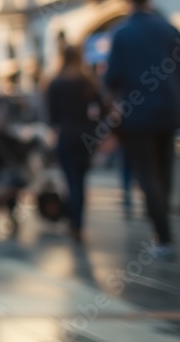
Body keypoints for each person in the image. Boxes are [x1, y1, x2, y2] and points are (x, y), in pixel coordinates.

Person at [104, 0, 180, 258]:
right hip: (170, 111)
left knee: (148, 174)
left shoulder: (121, 34)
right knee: (164, 170)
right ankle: (163, 224)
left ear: (126, 0)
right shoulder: (168, 29)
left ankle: (163, 236)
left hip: (139, 114)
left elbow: (112, 78)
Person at [45, 45, 103, 243]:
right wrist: (94, 128)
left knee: (71, 180)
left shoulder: (56, 83)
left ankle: (74, 222)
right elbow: (102, 109)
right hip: (86, 136)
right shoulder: (87, 81)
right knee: (80, 180)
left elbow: (52, 117)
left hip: (66, 135)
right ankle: (77, 222)